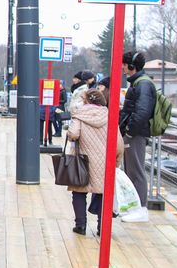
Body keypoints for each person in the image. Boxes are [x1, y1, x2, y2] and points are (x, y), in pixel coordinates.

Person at [67, 89, 123, 235]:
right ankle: (101, 227)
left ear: (86, 101)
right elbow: (118, 144)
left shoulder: (79, 116)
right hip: (105, 162)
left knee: (79, 192)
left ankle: (81, 225)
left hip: (83, 161)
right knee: (103, 194)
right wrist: (116, 161)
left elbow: (73, 134)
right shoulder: (110, 116)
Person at [120, 51, 157, 206]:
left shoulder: (143, 84)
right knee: (131, 171)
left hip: (136, 134)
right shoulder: (139, 83)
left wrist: (129, 130)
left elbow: (142, 111)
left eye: (124, 64)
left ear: (131, 66)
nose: (122, 67)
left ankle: (140, 207)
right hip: (134, 133)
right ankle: (134, 206)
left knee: (136, 172)